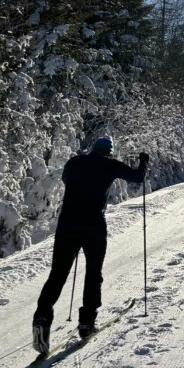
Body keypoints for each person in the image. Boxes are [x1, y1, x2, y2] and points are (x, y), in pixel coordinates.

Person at [32, 136, 149, 352]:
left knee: (57, 274)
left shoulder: (74, 163)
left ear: (93, 148)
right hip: (94, 226)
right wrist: (143, 161)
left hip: (67, 224)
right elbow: (137, 178)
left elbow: (68, 180)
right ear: (109, 152)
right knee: (94, 274)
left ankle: (41, 318)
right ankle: (86, 323)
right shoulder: (110, 165)